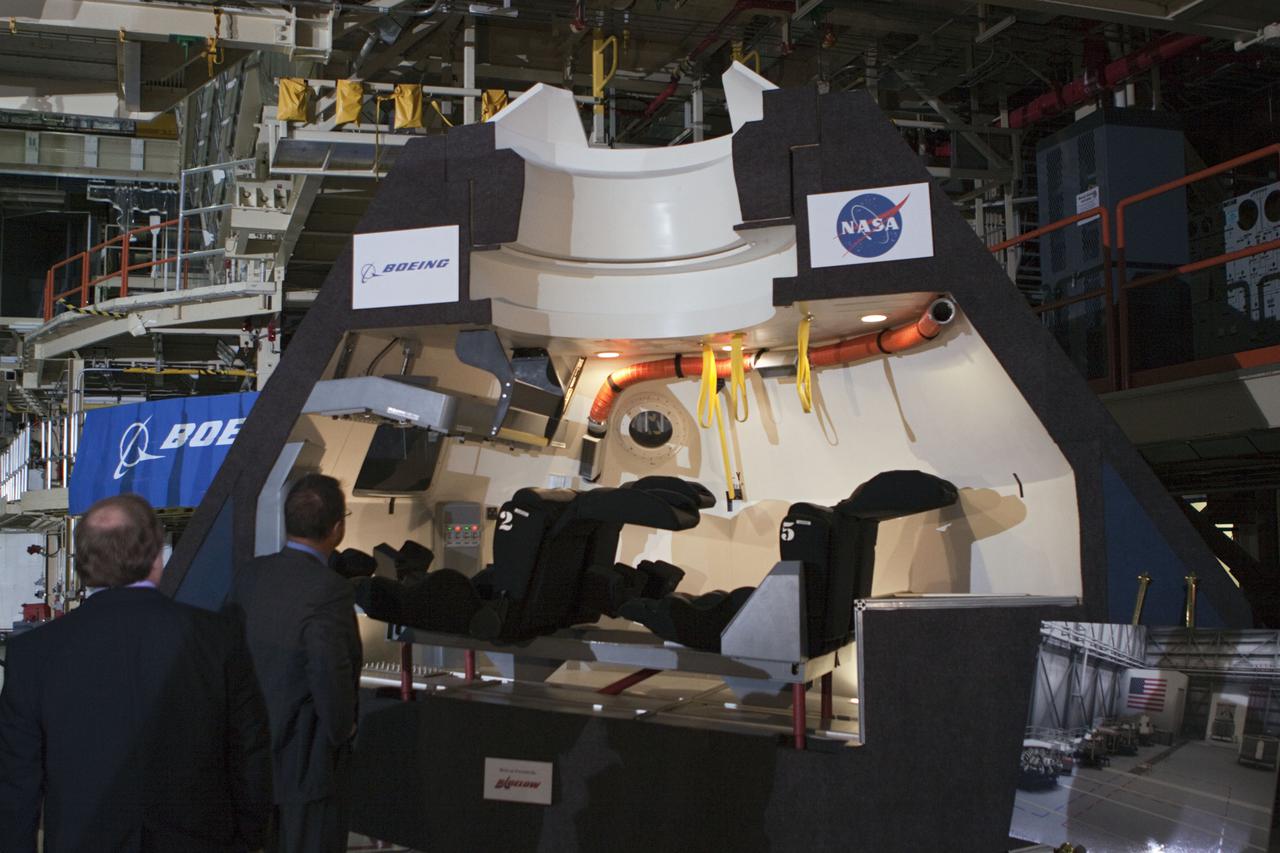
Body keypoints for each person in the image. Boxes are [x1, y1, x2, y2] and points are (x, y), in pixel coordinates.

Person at [0, 493, 271, 853]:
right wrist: (249, 838)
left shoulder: (32, 654)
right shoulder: (218, 638)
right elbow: (249, 750)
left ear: (82, 562)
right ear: (156, 555)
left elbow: (17, 784)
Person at [226, 473, 363, 853]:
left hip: (248, 763)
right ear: (337, 528)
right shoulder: (330, 590)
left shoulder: (250, 575)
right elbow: (329, 673)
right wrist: (344, 730)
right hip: (306, 769)